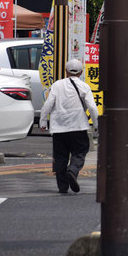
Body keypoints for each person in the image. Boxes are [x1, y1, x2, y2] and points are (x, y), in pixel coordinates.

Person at [39, 59, 98, 194]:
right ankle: (73, 170)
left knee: (60, 157)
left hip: (59, 127)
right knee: (80, 151)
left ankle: (63, 187)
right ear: (81, 72)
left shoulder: (57, 85)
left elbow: (48, 104)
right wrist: (96, 125)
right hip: (78, 126)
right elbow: (92, 108)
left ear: (66, 71)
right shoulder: (84, 86)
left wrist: (43, 121)